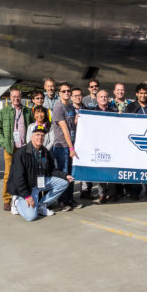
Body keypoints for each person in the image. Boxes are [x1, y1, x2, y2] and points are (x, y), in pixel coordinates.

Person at [7, 124, 72, 221]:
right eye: (37, 134)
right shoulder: (21, 154)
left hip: (39, 182)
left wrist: (65, 175)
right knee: (31, 216)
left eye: (42, 135)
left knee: (63, 183)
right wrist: (27, 196)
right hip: (27, 187)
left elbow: (51, 170)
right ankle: (16, 202)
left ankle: (42, 205)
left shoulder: (45, 151)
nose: (40, 137)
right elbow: (18, 178)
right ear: (32, 136)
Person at [0, 88, 34, 211]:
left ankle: (24, 195)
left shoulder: (27, 111)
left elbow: (32, 127)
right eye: (13, 97)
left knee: (25, 173)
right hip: (10, 148)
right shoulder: (4, 112)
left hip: (24, 147)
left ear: (21, 97)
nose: (16, 99)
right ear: (10, 98)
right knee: (8, 174)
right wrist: (4, 143)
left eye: (18, 96)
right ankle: (7, 199)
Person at [125, 83, 147, 199]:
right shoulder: (130, 107)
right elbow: (125, 124)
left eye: (145, 93)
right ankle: (134, 191)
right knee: (135, 167)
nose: (143, 95)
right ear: (136, 94)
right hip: (135, 143)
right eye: (141, 93)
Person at [49, 82, 80, 210]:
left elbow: (72, 126)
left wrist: (77, 121)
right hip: (62, 146)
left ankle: (70, 199)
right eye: (64, 91)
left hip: (71, 145)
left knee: (71, 174)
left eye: (68, 91)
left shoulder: (71, 107)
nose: (67, 93)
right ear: (59, 93)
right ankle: (62, 201)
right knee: (64, 174)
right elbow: (65, 129)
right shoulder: (58, 107)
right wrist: (71, 148)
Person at [91, 90, 121, 203]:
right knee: (101, 170)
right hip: (99, 144)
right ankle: (102, 193)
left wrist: (120, 117)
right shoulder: (92, 112)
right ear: (97, 99)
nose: (103, 99)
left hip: (111, 144)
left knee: (112, 169)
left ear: (108, 99)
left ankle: (113, 193)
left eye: (105, 97)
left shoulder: (113, 110)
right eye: (101, 97)